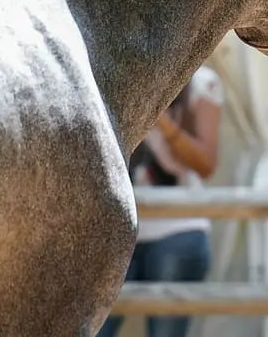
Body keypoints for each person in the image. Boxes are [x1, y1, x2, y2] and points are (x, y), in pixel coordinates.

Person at [98, 64, 222, 337]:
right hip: (117, 231)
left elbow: (206, 165)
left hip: (179, 230)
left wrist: (162, 122)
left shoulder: (202, 82)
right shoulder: (119, 73)